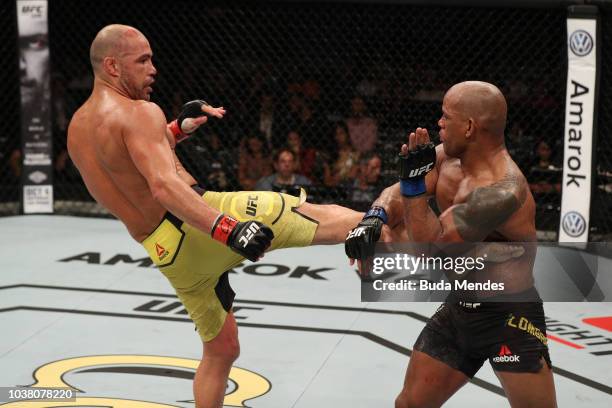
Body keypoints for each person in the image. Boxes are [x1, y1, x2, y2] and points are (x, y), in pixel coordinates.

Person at [67, 24, 406, 408]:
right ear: (112, 66)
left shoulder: (78, 128)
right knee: (352, 223)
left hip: (169, 254)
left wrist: (176, 130)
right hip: (200, 219)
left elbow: (127, 166)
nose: (153, 68)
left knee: (221, 350)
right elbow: (162, 185)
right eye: (143, 60)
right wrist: (228, 228)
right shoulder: (140, 112)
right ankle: (467, 275)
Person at [371, 81, 555, 407]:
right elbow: (398, 194)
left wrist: (413, 185)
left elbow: (431, 245)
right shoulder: (447, 159)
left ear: (469, 127)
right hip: (460, 308)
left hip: (508, 318)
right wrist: (375, 218)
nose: (438, 123)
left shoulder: (503, 190)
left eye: (446, 116)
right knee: (409, 404)